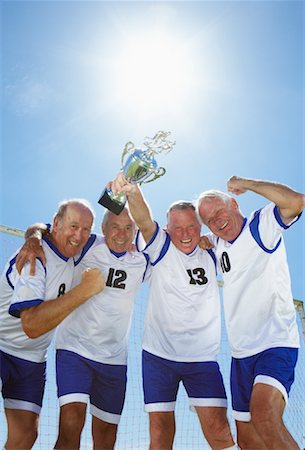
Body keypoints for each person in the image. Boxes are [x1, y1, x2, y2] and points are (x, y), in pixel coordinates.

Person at [110, 173, 238, 450]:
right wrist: (132, 191)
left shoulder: (213, 251)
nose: (185, 234)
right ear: (167, 228)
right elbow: (143, 220)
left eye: (191, 227)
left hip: (202, 358)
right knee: (160, 431)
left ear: (200, 228)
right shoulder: (161, 246)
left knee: (219, 429)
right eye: (177, 227)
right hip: (159, 355)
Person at [16, 207, 148, 450]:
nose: (121, 233)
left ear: (135, 232)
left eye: (128, 228)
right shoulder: (87, 245)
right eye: (115, 227)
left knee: (107, 436)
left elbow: (168, 246)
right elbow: (47, 229)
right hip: (74, 349)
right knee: (71, 421)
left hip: (114, 359)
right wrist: (33, 237)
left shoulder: (143, 259)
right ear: (104, 229)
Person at [197, 176, 305, 450]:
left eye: (220, 212)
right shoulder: (218, 244)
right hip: (240, 355)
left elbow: (295, 202)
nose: (217, 221)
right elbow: (199, 238)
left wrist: (248, 184)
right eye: (209, 220)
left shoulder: (261, 225)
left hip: (274, 343)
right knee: (246, 439)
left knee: (265, 415)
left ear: (234, 203)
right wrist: (204, 240)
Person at [0, 199, 105, 450]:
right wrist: (84, 291)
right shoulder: (34, 257)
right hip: (1, 346)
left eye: (86, 229)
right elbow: (32, 325)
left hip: (32, 359)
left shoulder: (77, 251)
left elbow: (118, 235)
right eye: (73, 226)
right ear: (56, 224)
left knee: (26, 436)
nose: (79, 236)